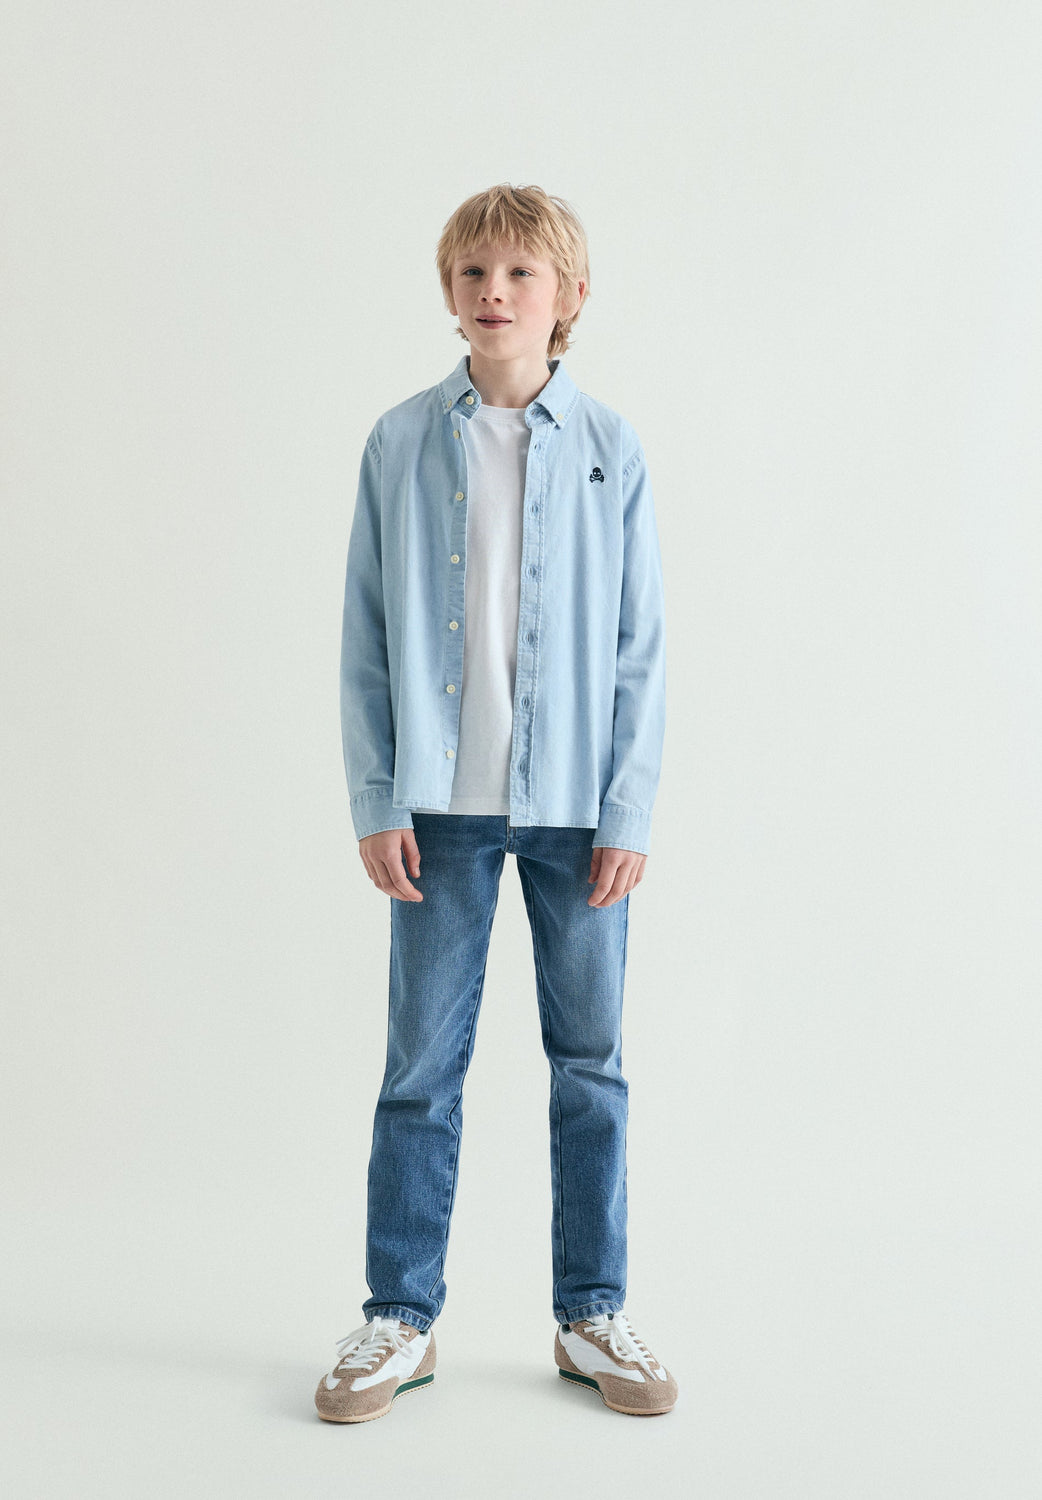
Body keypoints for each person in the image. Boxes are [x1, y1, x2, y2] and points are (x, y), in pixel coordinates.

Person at [315, 183, 675, 1423]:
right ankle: (398, 1317)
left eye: (520, 272)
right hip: (440, 809)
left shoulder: (610, 447)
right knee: (421, 1069)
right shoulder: (401, 441)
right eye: (473, 272)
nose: (493, 293)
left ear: (567, 295)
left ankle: (591, 1312)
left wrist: (629, 808)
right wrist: (377, 795)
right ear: (449, 292)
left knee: (591, 1065)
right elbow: (365, 634)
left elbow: (641, 647)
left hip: (577, 808)